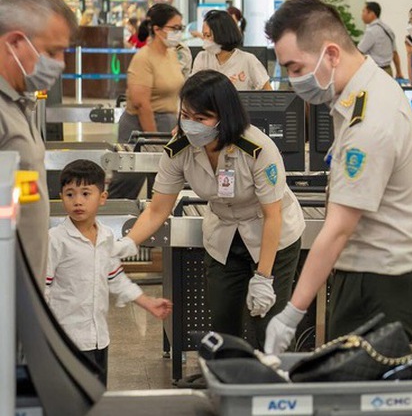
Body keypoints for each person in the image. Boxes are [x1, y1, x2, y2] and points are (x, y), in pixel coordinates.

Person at [263, 0, 412, 353]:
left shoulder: (368, 121)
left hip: (377, 285)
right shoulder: (368, 92)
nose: (294, 81)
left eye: (296, 68)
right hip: (381, 274)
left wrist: (292, 312)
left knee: (356, 402)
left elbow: (339, 227)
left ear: (331, 54)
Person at [117, 71, 306, 347]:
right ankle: (227, 379)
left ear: (224, 115)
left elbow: (272, 216)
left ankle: (268, 380)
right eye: (186, 116)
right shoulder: (180, 150)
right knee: (223, 321)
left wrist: (264, 277)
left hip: (271, 237)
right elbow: (158, 209)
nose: (191, 125)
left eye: (201, 118)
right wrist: (129, 242)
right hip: (224, 233)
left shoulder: (257, 148)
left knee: (267, 324)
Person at [46, 160, 172, 386]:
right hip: (66, 339)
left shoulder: (104, 236)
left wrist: (147, 302)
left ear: (102, 197)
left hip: (99, 339)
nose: (78, 201)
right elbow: (43, 288)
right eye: (70, 194)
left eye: (86, 193)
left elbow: (115, 277)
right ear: (61, 197)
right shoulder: (55, 240)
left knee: (96, 394)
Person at [0, 0, 76, 284]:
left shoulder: (19, 102)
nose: (61, 63)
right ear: (16, 42)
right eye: (52, 51)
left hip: (19, 296)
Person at [108, 3, 186, 200]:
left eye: (180, 28)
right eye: (174, 28)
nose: (178, 32)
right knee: (127, 184)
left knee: (161, 184)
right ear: (157, 29)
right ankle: (114, 223)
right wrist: (153, 141)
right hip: (141, 126)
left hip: (167, 124)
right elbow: (142, 103)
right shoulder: (144, 58)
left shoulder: (171, 55)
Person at [192, 9, 272, 90]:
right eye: (204, 35)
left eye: (208, 35)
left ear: (222, 34)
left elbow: (268, 93)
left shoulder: (248, 60)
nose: (205, 40)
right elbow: (192, 91)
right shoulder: (202, 58)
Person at [358, 1, 402, 78]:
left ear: (371, 14)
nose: (361, 15)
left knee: (368, 90)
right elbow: (395, 53)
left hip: (375, 72)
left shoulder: (371, 31)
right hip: (388, 70)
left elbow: (359, 52)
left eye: (363, 11)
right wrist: (399, 72)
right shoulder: (387, 29)